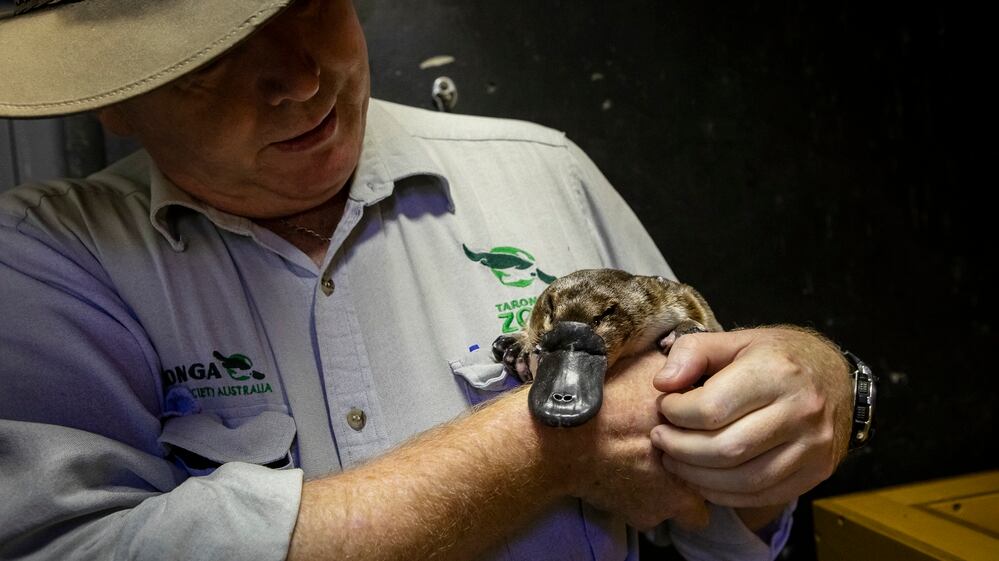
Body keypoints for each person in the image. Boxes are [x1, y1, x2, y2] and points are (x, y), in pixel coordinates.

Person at [0, 1, 856, 560]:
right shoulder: (45, 256)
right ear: (115, 101)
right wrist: (548, 445)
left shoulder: (544, 169)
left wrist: (790, 408)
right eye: (213, 57)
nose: (303, 80)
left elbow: (714, 522)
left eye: (308, 4)